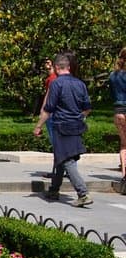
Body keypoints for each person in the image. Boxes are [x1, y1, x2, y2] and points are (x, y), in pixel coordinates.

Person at [33, 53, 93, 207]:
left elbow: (49, 108)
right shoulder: (80, 84)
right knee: (60, 157)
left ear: (56, 67)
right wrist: (79, 117)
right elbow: (87, 108)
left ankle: (83, 193)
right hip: (76, 126)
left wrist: (38, 126)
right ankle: (54, 189)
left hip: (61, 126)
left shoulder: (56, 84)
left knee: (67, 160)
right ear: (69, 67)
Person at [110, 46, 126, 194]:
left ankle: (124, 177)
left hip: (118, 111)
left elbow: (112, 95)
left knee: (123, 145)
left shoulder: (113, 75)